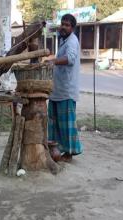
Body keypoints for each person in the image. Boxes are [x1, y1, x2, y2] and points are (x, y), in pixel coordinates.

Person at [47, 14, 82, 162]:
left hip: (66, 91)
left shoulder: (72, 41)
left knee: (67, 124)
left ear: (72, 28)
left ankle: (70, 153)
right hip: (57, 90)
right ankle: (57, 150)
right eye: (62, 24)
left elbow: (70, 58)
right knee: (54, 123)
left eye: (67, 25)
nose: (63, 27)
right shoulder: (63, 40)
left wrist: (53, 61)